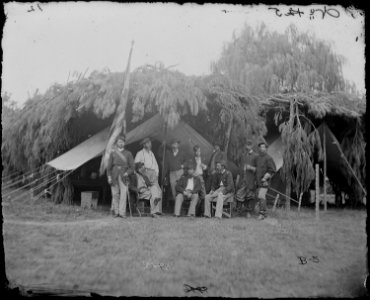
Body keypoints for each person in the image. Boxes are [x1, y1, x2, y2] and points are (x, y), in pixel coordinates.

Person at [107, 135, 135, 218]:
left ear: (124, 143)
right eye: (119, 142)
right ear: (117, 143)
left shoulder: (128, 153)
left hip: (124, 175)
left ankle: (122, 213)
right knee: (115, 194)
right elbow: (109, 167)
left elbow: (132, 167)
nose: (121, 143)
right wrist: (109, 177)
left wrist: (127, 173)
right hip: (114, 175)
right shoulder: (113, 153)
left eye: (122, 142)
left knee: (124, 194)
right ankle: (116, 212)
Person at [248, 141, 276, 220]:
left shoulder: (269, 158)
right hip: (257, 182)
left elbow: (272, 170)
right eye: (260, 147)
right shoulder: (257, 158)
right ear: (259, 148)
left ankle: (262, 214)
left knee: (261, 196)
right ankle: (264, 213)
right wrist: (250, 168)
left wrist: (265, 177)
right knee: (260, 197)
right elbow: (256, 169)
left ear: (266, 148)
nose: (262, 148)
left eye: (263, 147)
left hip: (264, 182)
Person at [134, 137, 162, 212]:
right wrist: (141, 173)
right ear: (144, 144)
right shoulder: (140, 153)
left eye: (150, 143)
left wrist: (157, 173)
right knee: (153, 191)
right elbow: (136, 165)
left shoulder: (151, 153)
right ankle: (154, 211)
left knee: (158, 190)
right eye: (147, 143)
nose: (150, 144)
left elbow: (155, 164)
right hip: (144, 172)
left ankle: (158, 211)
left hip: (153, 174)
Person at [235, 140, 258, 218]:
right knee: (239, 194)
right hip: (242, 179)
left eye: (249, 145)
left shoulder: (255, 156)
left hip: (251, 179)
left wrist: (250, 168)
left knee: (250, 195)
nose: (247, 147)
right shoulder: (243, 155)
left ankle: (248, 212)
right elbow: (240, 167)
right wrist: (238, 177)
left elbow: (258, 170)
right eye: (246, 145)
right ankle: (239, 212)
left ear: (251, 146)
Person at [191, 145, 207, 211]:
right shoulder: (191, 159)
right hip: (194, 178)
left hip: (201, 177)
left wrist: (204, 166)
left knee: (203, 194)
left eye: (199, 151)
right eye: (197, 151)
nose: (198, 153)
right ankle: (194, 211)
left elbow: (206, 168)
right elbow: (189, 169)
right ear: (194, 152)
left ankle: (202, 211)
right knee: (195, 194)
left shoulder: (203, 158)